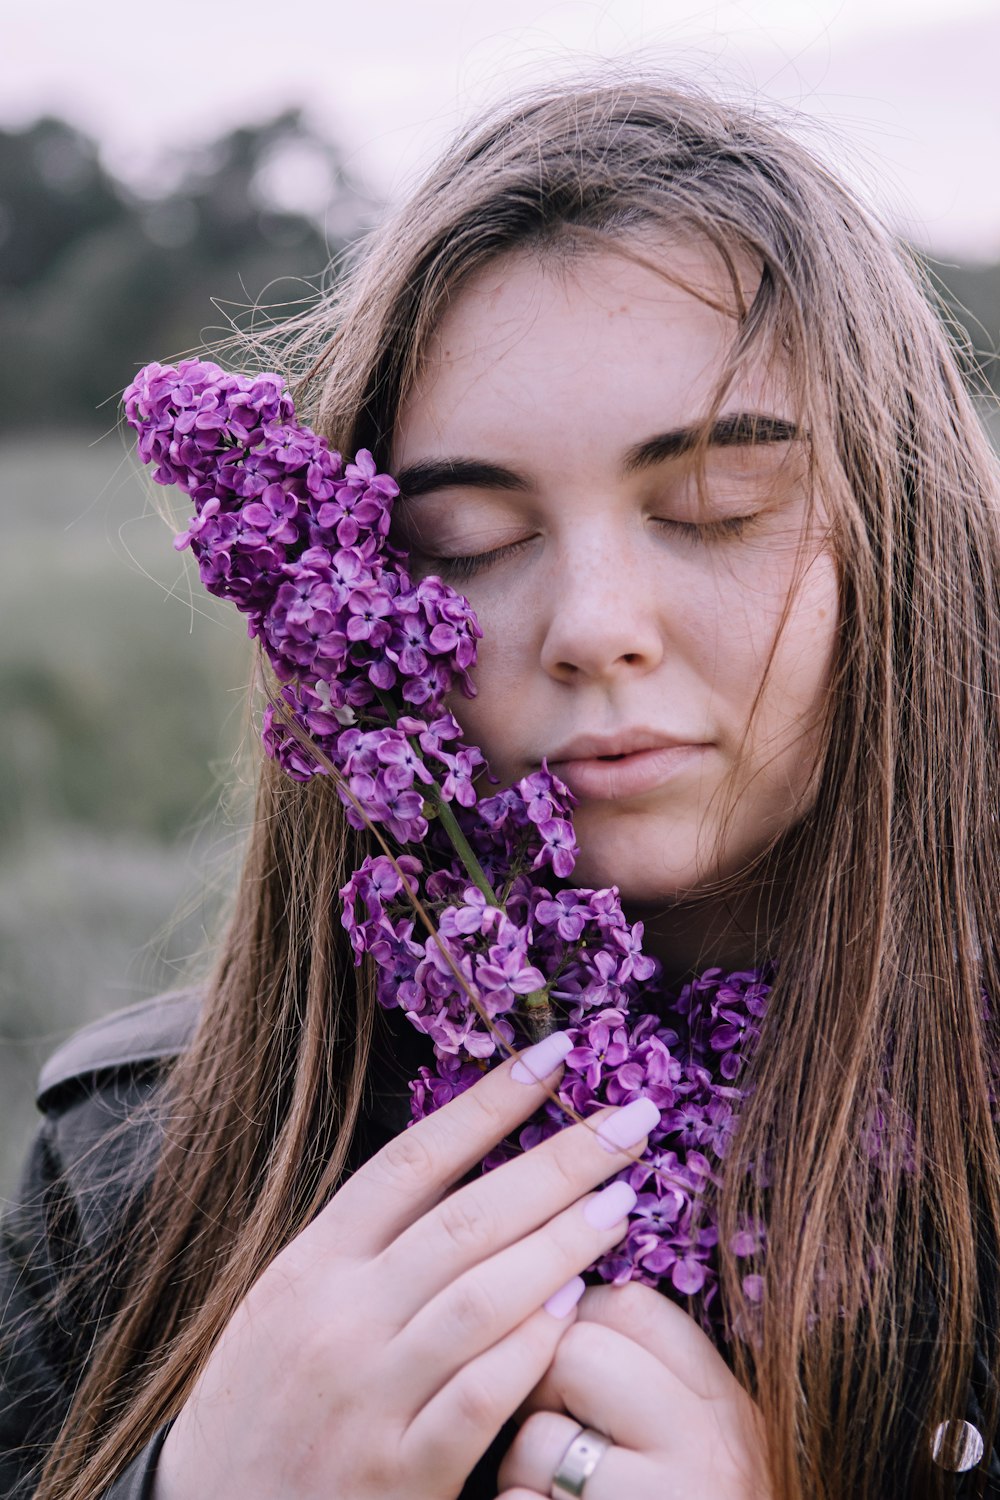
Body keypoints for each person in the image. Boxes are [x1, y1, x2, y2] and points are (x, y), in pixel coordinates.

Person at [2, 74, 999, 1500]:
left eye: (714, 510)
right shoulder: (133, 1174)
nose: (592, 623)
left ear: (907, 544)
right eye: (464, 540)